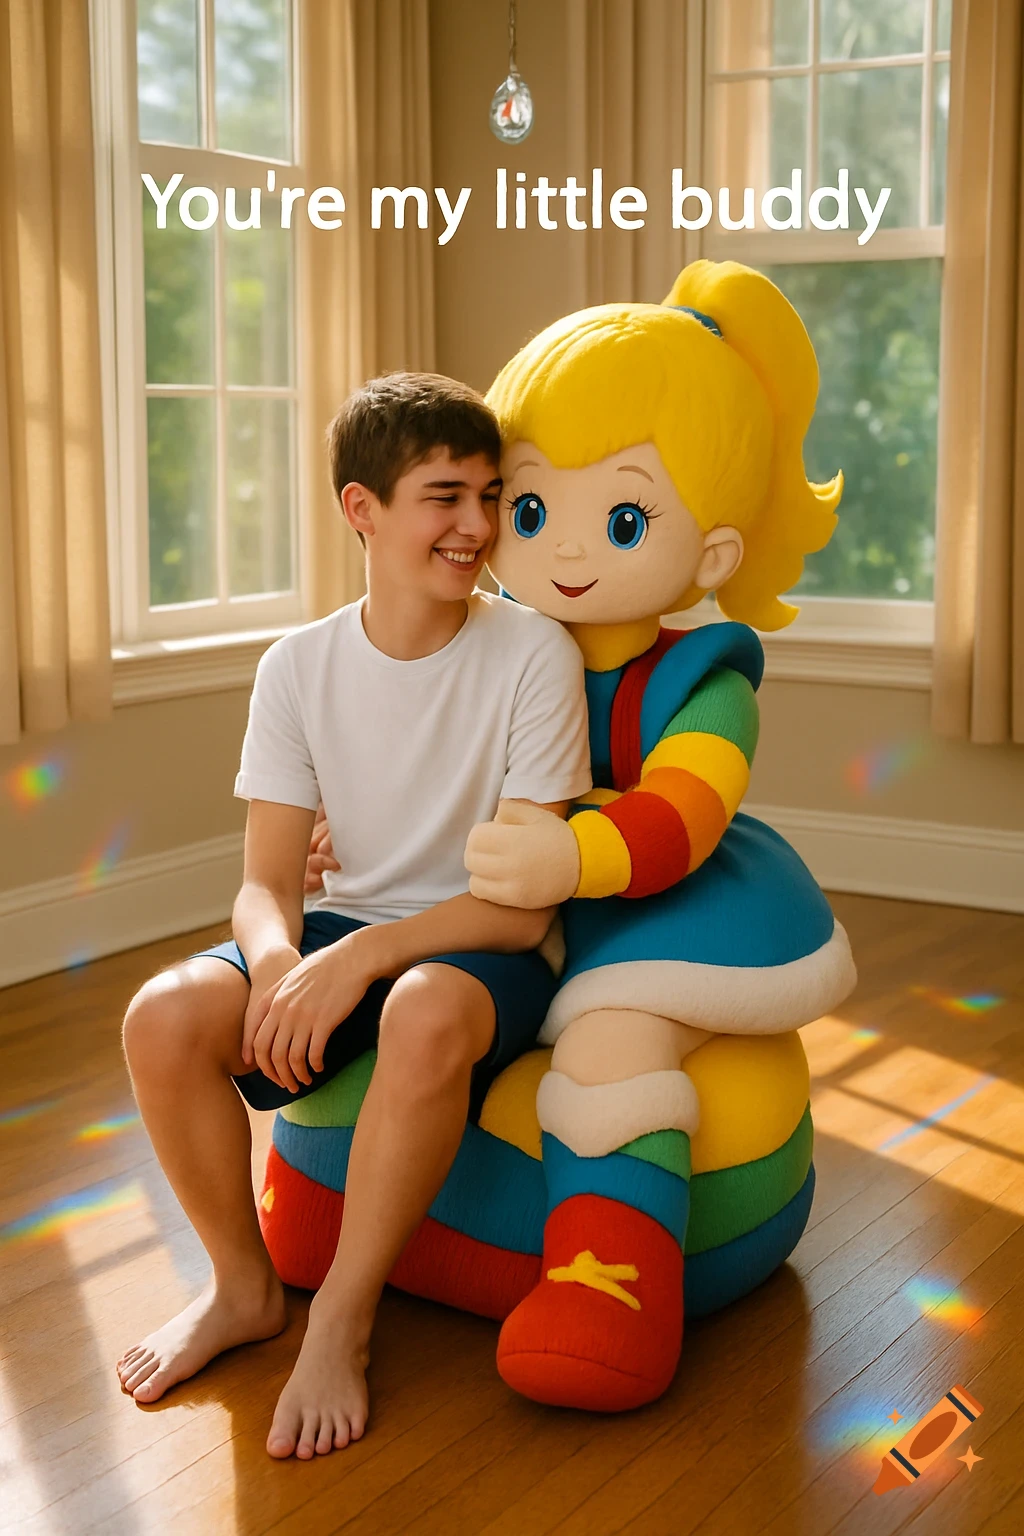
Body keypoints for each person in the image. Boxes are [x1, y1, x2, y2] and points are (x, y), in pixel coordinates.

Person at [115, 372, 591, 1457]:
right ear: (361, 508)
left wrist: (363, 956)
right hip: (349, 933)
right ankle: (243, 1289)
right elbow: (264, 881)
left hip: (475, 947)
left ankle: (341, 1315)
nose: (477, 526)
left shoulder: (533, 654)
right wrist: (279, 960)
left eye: (489, 496)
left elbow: (520, 913)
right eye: (444, 497)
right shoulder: (296, 666)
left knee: (420, 1005)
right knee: (160, 1015)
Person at [460, 260, 857, 1409]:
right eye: (531, 510)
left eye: (622, 519)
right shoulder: (488, 646)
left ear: (712, 555)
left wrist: (573, 853)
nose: (566, 553)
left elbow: (686, 805)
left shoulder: (702, 679)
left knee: (612, 1035)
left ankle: (613, 1286)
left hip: (662, 903)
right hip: (526, 897)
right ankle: (337, 1189)